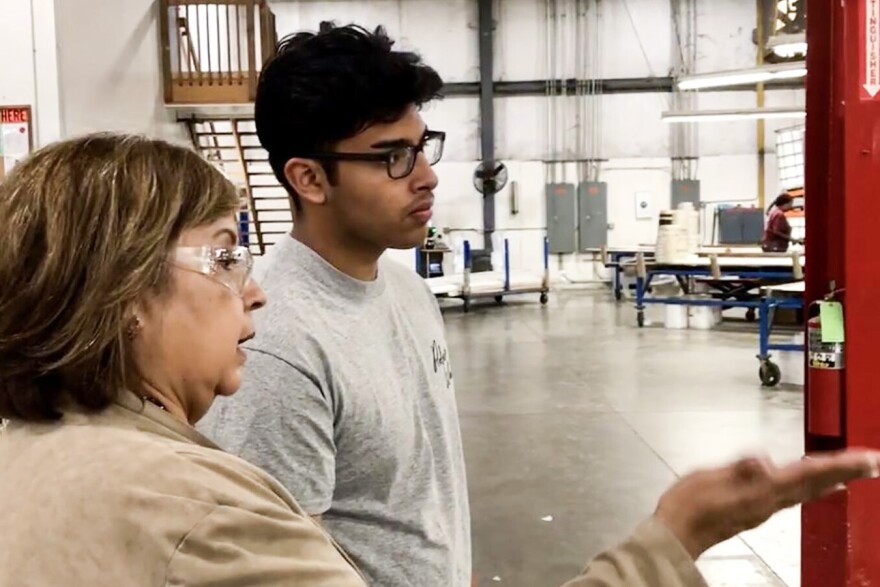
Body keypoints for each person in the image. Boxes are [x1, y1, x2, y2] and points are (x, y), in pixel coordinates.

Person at [0, 133, 878, 587]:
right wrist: (675, 536)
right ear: (117, 295)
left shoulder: (37, 445)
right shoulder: (197, 512)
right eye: (225, 256)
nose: (251, 289)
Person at [197, 23, 472, 587]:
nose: (426, 177)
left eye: (421, 148)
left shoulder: (410, 291)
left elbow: (422, 493)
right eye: (393, 157)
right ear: (309, 179)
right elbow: (271, 564)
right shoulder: (274, 342)